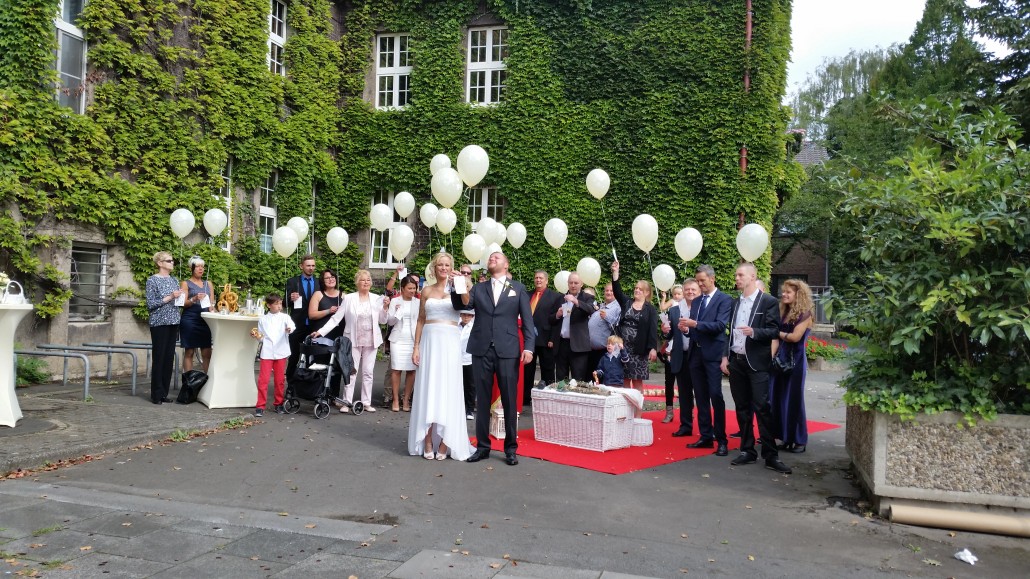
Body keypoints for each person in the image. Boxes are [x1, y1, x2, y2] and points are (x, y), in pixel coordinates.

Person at [453, 250, 536, 466]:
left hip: (508, 349)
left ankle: (510, 448)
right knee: (482, 399)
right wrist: (460, 285)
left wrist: (529, 347)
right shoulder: (479, 288)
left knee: (509, 399)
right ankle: (482, 447)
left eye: (497, 257)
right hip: (481, 348)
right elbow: (462, 305)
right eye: (490, 257)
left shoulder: (517, 289)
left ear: (506, 265)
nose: (492, 259)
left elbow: (527, 320)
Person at [720, 262, 790, 474]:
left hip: (757, 362)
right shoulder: (734, 303)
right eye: (736, 275)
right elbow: (728, 332)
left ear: (752, 276)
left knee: (762, 407)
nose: (737, 278)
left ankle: (770, 455)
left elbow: (774, 330)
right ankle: (747, 450)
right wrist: (725, 357)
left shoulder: (767, 301)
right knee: (741, 407)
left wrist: (754, 332)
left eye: (741, 275)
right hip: (737, 360)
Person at [409, 252, 475, 460]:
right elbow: (420, 319)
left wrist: (460, 283)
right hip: (429, 341)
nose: (444, 268)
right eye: (440, 265)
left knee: (448, 388)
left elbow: (466, 303)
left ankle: (446, 442)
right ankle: (427, 439)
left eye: (447, 265)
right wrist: (416, 346)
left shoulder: (458, 287)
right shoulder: (426, 290)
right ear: (434, 268)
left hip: (449, 341)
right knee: (429, 387)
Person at [312, 269, 389, 413]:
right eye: (362, 280)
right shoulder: (349, 298)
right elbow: (336, 318)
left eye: (368, 280)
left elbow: (383, 320)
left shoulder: (377, 298)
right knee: (351, 371)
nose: (366, 282)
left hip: (371, 340)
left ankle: (366, 402)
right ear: (357, 283)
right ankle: (346, 401)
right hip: (353, 339)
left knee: (368, 372)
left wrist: (385, 307)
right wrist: (320, 332)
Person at [680, 264, 733, 456]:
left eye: (702, 280)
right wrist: (687, 329)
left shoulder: (724, 299)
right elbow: (696, 328)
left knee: (715, 396)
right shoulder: (696, 301)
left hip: (713, 355)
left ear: (712, 279)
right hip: (695, 354)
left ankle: (722, 440)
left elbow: (720, 326)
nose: (700, 284)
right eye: (698, 280)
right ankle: (705, 436)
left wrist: (695, 324)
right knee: (701, 397)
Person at [771, 279, 814, 454]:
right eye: (783, 291)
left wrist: (777, 333)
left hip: (795, 361)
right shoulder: (783, 312)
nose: (784, 294)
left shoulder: (805, 314)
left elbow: (795, 337)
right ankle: (785, 437)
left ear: (799, 294)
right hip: (781, 359)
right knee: (779, 399)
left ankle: (799, 439)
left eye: (788, 292)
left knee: (794, 399)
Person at [609, 261, 659, 395]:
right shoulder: (627, 302)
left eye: (640, 289)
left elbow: (652, 329)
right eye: (636, 288)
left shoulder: (650, 309)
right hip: (623, 348)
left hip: (639, 350)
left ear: (647, 293)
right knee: (624, 379)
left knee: (637, 382)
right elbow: (617, 291)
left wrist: (653, 348)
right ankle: (625, 413)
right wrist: (615, 273)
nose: (637, 290)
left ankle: (637, 413)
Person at [145, 252, 181, 405]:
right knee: (159, 358)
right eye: (169, 261)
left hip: (173, 321)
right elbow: (151, 304)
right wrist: (170, 297)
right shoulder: (152, 280)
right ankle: (156, 394)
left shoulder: (174, 280)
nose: (172, 263)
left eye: (173, 260)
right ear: (160, 263)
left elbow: (178, 301)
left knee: (168, 358)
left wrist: (184, 298)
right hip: (159, 322)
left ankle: (164, 393)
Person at [664, 279, 700, 432]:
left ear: (698, 291)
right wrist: (665, 331)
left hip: (698, 356)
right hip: (681, 355)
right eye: (687, 290)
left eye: (693, 289)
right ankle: (685, 426)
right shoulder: (674, 311)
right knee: (684, 392)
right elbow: (671, 333)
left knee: (701, 393)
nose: (690, 292)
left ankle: (706, 428)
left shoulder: (702, 308)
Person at [252, 293, 295, 417]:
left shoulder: (285, 317)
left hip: (281, 351)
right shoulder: (263, 319)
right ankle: (260, 405)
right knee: (263, 380)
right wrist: (256, 336)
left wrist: (289, 329)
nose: (279, 306)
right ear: (269, 305)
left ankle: (279, 403)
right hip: (267, 351)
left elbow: (292, 326)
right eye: (276, 304)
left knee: (279, 379)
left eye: (280, 303)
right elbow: (261, 337)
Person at [523, 270, 562, 402]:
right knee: (528, 370)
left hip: (546, 339)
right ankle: (526, 397)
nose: (538, 280)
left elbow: (557, 320)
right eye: (536, 278)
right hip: (529, 339)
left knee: (547, 369)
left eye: (540, 278)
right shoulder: (527, 295)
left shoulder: (555, 296)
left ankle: (547, 396)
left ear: (546, 280)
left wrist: (552, 338)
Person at [307, 269, 344, 402]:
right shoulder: (318, 294)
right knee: (321, 365)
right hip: (321, 335)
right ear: (323, 281)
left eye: (333, 277)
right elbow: (312, 314)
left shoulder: (343, 296)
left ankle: (333, 395)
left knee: (336, 366)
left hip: (338, 335)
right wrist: (329, 311)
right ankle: (317, 393)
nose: (331, 279)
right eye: (327, 278)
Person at [554, 272, 596, 382]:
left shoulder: (587, 297)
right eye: (571, 283)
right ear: (567, 284)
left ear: (581, 284)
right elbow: (550, 319)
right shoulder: (560, 298)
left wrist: (575, 301)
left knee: (578, 380)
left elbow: (590, 309)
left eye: (576, 283)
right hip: (562, 344)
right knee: (560, 380)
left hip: (578, 346)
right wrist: (557, 315)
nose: (573, 285)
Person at [285, 255, 320, 382]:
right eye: (308, 265)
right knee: (294, 355)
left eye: (313, 265)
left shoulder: (318, 282)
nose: (311, 268)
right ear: (301, 266)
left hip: (314, 324)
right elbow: (284, 303)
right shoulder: (293, 281)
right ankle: (290, 383)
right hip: (297, 323)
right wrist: (290, 298)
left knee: (313, 355)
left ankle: (310, 383)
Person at [387, 276, 420, 412]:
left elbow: (421, 321)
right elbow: (389, 322)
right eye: (409, 288)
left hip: (413, 339)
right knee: (396, 369)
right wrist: (397, 313)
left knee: (411, 370)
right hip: (398, 339)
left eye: (414, 288)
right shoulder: (395, 301)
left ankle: (406, 399)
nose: (412, 291)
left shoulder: (418, 302)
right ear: (402, 289)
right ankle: (395, 399)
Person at [178, 256, 214, 373]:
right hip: (190, 319)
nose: (200, 269)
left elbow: (212, 304)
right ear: (191, 268)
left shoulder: (208, 284)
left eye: (202, 267)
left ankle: (207, 383)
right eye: (198, 266)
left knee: (207, 352)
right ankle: (189, 383)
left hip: (205, 320)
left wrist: (214, 309)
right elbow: (183, 303)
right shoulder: (185, 283)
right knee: (189, 351)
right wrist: (194, 298)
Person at [657, 285, 684, 423]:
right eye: (676, 293)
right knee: (669, 382)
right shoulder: (672, 310)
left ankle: (687, 412)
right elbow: (668, 332)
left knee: (685, 384)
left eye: (681, 293)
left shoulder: (694, 309)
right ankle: (669, 412)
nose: (678, 296)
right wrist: (664, 330)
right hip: (671, 350)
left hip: (686, 352)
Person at [587, 282, 621, 374]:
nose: (609, 292)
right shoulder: (601, 305)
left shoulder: (617, 307)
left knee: (601, 380)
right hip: (592, 350)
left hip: (604, 351)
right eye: (607, 290)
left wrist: (607, 317)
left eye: (611, 291)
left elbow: (617, 326)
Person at [459, 308, 475, 420]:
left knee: (470, 386)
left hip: (469, 359)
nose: (466, 317)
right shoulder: (455, 326)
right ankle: (458, 408)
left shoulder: (474, 327)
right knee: (457, 385)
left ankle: (469, 409)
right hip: (456, 359)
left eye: (468, 315)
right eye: (464, 314)